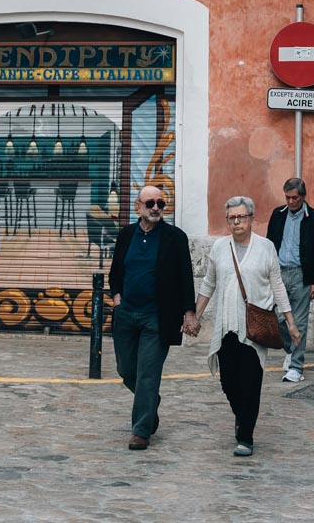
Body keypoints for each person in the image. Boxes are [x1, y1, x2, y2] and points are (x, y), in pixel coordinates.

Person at [190, 195, 300, 457]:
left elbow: (277, 287)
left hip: (254, 328)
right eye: (231, 218)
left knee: (250, 383)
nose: (236, 222)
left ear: (251, 218)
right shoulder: (219, 247)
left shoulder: (266, 248)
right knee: (228, 382)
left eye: (241, 217)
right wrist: (195, 316)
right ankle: (242, 416)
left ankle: (245, 436)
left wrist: (291, 323)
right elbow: (209, 283)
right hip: (226, 326)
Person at [108, 184, 199, 451]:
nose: (156, 208)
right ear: (138, 206)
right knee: (126, 370)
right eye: (150, 203)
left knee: (147, 374)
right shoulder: (126, 235)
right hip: (126, 313)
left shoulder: (175, 238)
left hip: (157, 317)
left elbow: (185, 277)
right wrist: (117, 299)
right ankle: (150, 401)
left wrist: (189, 313)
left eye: (160, 203)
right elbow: (116, 272)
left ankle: (141, 431)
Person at [266, 176, 314, 383]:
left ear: (303, 196)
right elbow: (269, 245)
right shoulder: (277, 215)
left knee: (299, 322)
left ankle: (296, 368)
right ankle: (291, 349)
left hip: (302, 275)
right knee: (276, 317)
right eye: (287, 198)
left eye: (295, 198)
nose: (291, 201)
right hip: (278, 273)